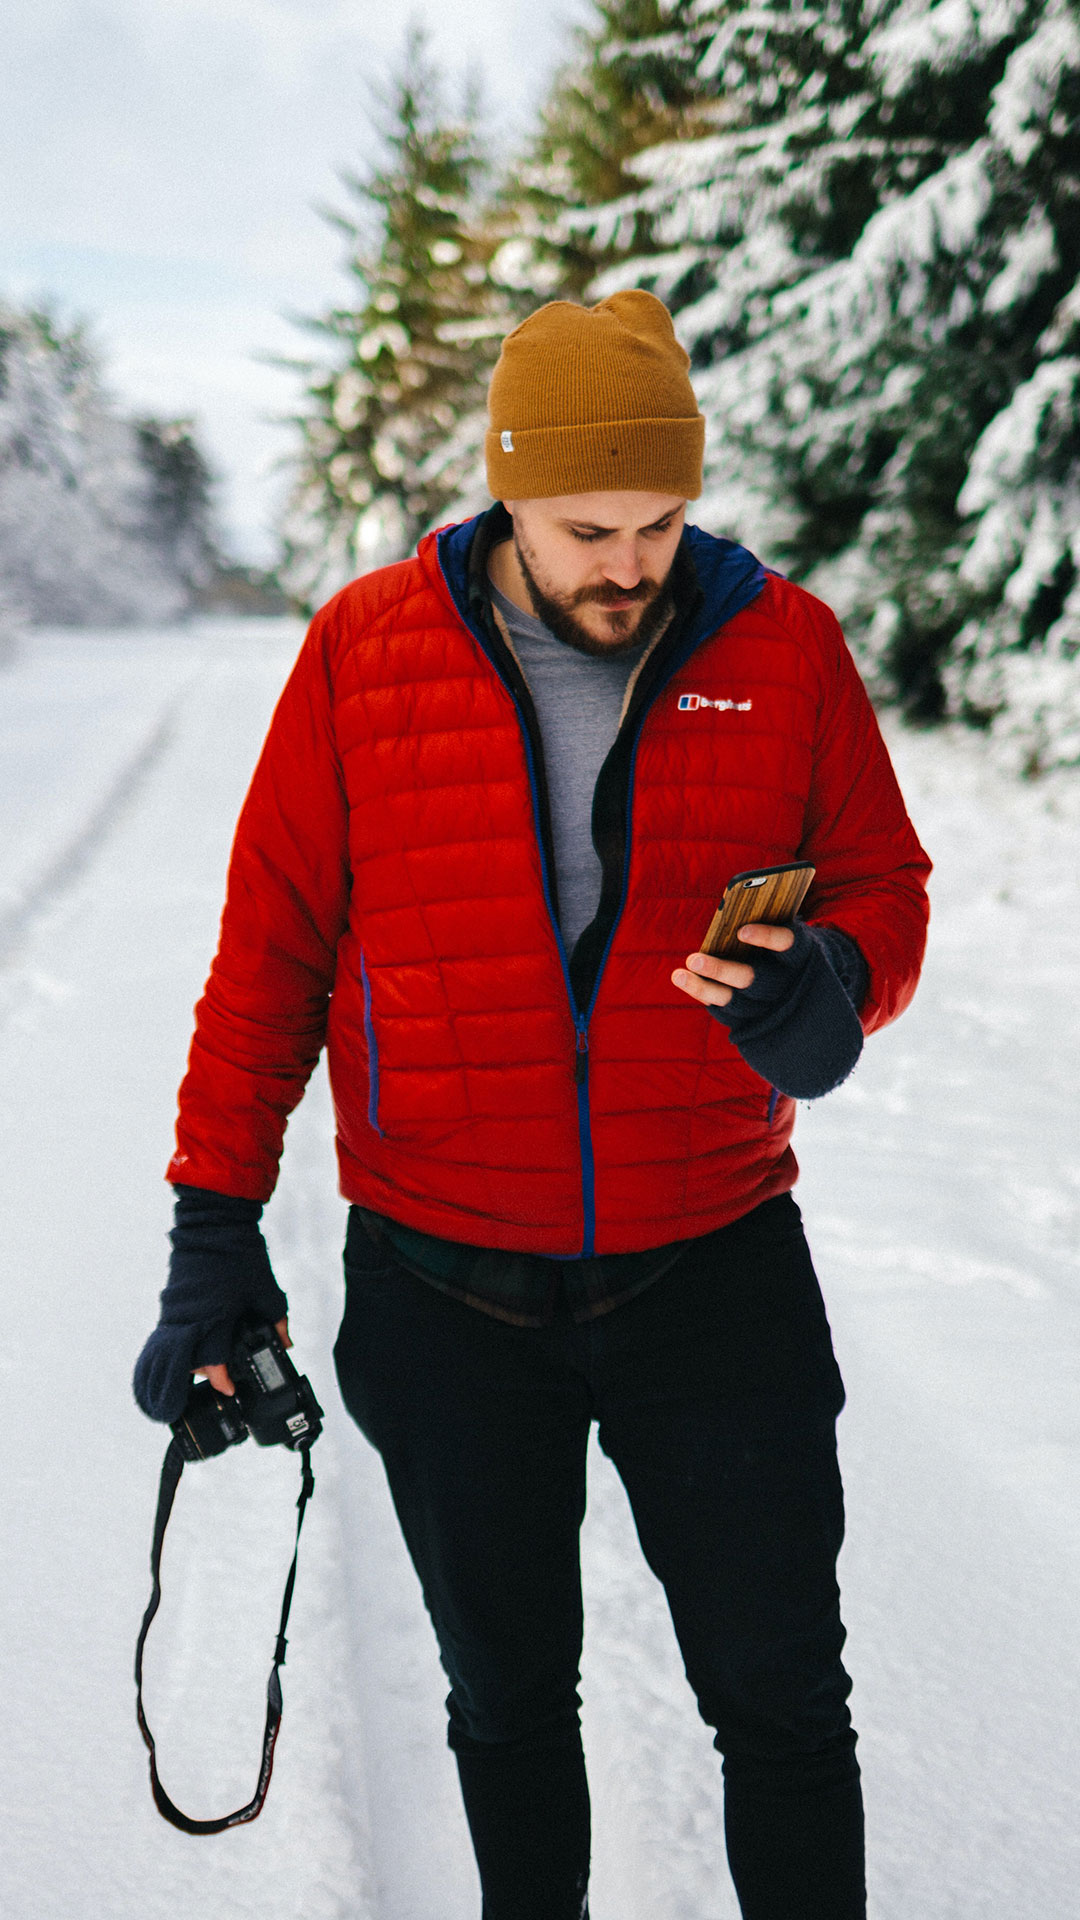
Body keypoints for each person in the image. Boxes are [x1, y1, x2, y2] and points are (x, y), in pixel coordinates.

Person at [135, 290, 930, 1919]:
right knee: (506, 1705)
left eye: (659, 521)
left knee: (783, 1706)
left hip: (713, 1267)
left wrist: (828, 979)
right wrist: (212, 1231)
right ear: (506, 492)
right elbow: (269, 958)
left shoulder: (785, 648)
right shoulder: (364, 651)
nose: (628, 564)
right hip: (443, 1289)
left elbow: (886, 887)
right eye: (586, 529)